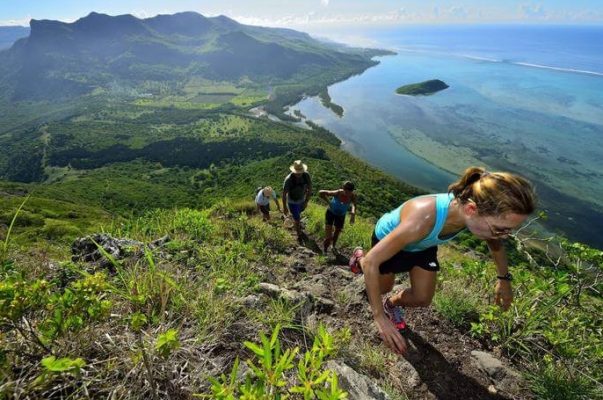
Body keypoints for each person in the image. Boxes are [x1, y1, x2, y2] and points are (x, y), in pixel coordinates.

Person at [348, 167, 536, 356]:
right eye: (500, 229)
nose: (503, 236)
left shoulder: (475, 213)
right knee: (381, 287)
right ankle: (359, 257)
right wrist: (379, 318)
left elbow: (495, 244)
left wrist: (504, 280)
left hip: (423, 245)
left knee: (422, 298)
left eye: (508, 230)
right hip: (390, 240)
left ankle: (391, 304)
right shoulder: (422, 219)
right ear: (471, 210)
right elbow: (372, 263)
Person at [319, 181, 357, 253]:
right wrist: (329, 203)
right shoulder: (338, 192)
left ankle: (333, 246)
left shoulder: (352, 196)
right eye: (345, 189)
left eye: (349, 191)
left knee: (337, 232)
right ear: (343, 188)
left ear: (352, 191)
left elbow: (354, 205)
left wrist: (353, 214)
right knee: (328, 237)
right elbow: (321, 192)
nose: (346, 192)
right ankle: (325, 251)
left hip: (341, 215)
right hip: (330, 213)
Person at [282, 160, 312, 239]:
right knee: (297, 217)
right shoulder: (288, 180)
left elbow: (310, 188)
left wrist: (306, 201)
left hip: (301, 199)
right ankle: (299, 233)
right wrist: (285, 207)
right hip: (292, 201)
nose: (299, 174)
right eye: (297, 172)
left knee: (299, 213)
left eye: (300, 172)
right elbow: (284, 194)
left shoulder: (306, 176)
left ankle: (296, 223)